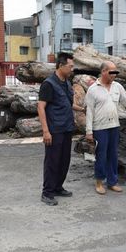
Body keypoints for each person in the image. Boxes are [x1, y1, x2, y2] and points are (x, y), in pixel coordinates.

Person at [85, 61, 126, 195]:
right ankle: (99, 182)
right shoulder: (93, 89)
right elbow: (89, 111)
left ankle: (112, 182)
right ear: (103, 72)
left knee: (113, 155)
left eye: (115, 72)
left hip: (114, 126)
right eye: (111, 72)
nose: (114, 75)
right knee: (101, 156)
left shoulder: (117, 87)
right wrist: (89, 131)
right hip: (99, 128)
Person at [37, 52, 85, 206]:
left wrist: (82, 109)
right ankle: (47, 192)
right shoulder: (48, 84)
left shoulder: (67, 83)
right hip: (54, 129)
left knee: (64, 160)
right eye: (70, 66)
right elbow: (41, 107)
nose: (72, 69)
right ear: (60, 65)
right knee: (52, 161)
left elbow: (67, 103)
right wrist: (45, 131)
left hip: (67, 128)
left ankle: (58, 187)